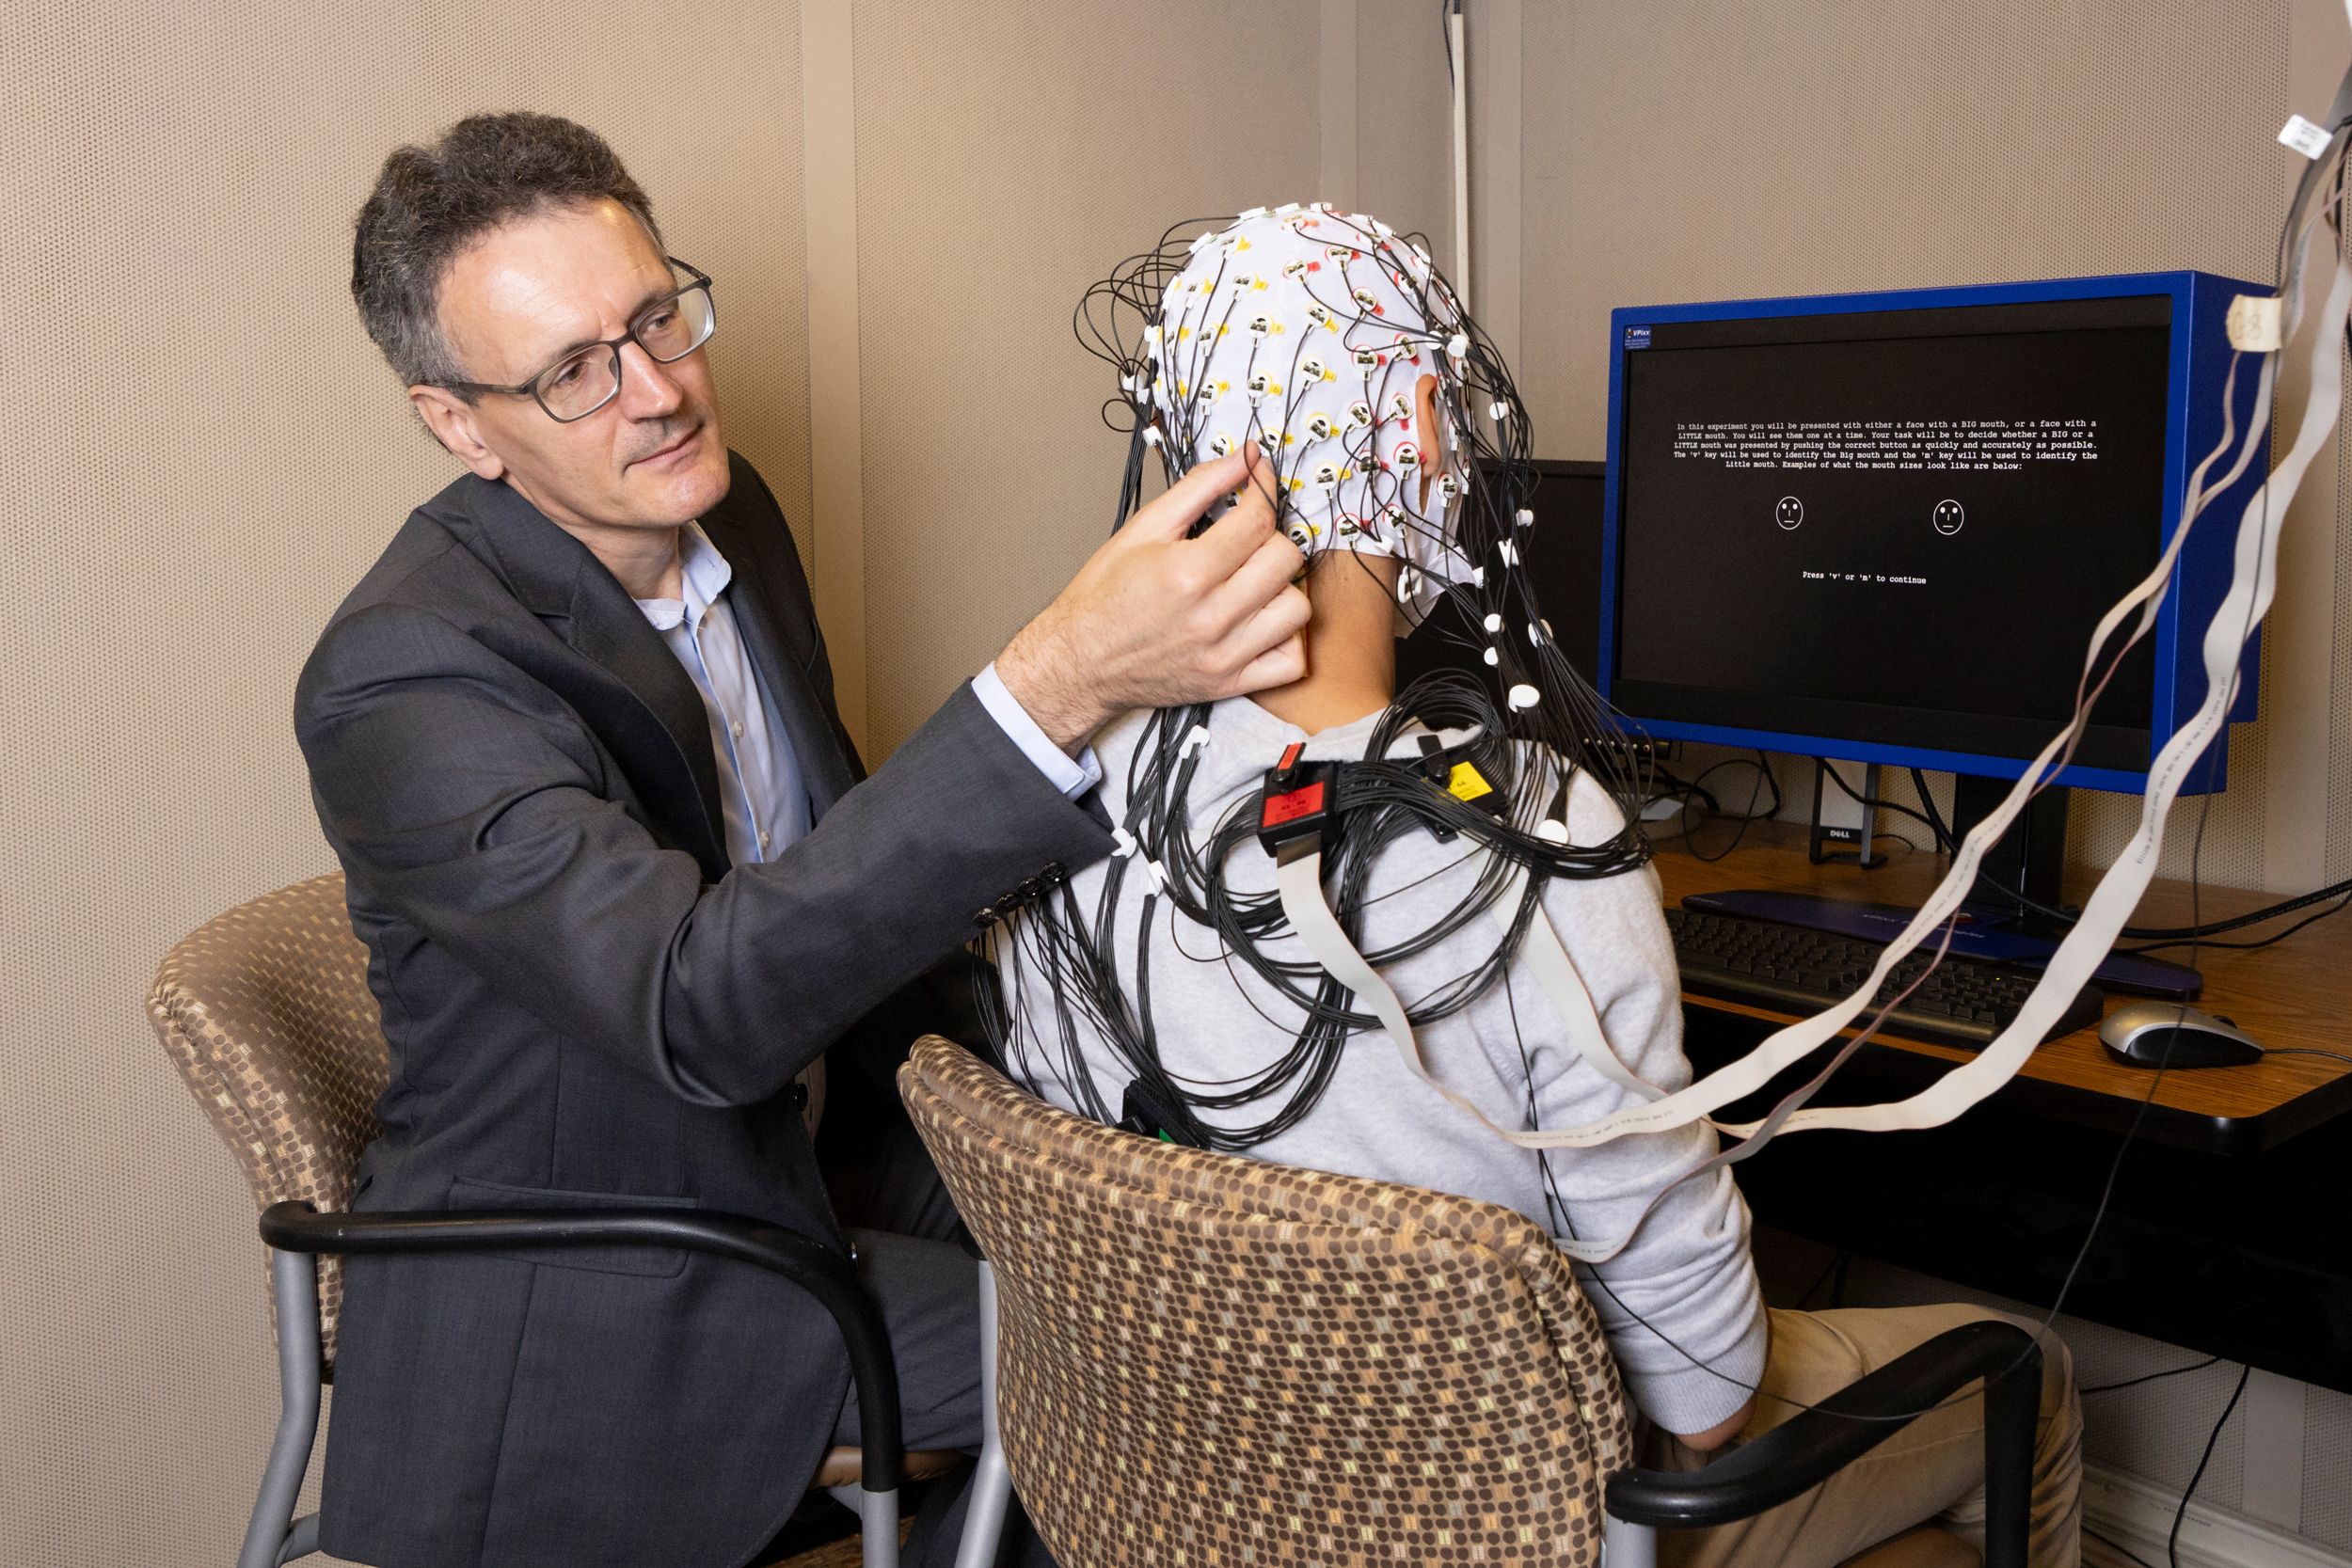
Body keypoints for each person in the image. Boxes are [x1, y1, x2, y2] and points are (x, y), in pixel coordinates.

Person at [987, 206, 2083, 1568]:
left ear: (1182, 450)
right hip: (1514, 1526)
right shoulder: (1535, 838)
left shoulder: (1056, 800)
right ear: (1428, 435)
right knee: (2024, 1374)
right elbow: (1708, 1392)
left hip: (1166, 1498)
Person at [296, 113, 1310, 1568]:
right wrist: (1058, 683)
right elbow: (699, 1008)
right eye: (575, 370)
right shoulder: (405, 674)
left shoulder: (726, 512)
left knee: (1204, 1245)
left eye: (656, 317)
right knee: (1151, 1364)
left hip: (821, 1141)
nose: (655, 392)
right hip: (618, 1280)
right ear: (460, 424)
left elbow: (830, 861)